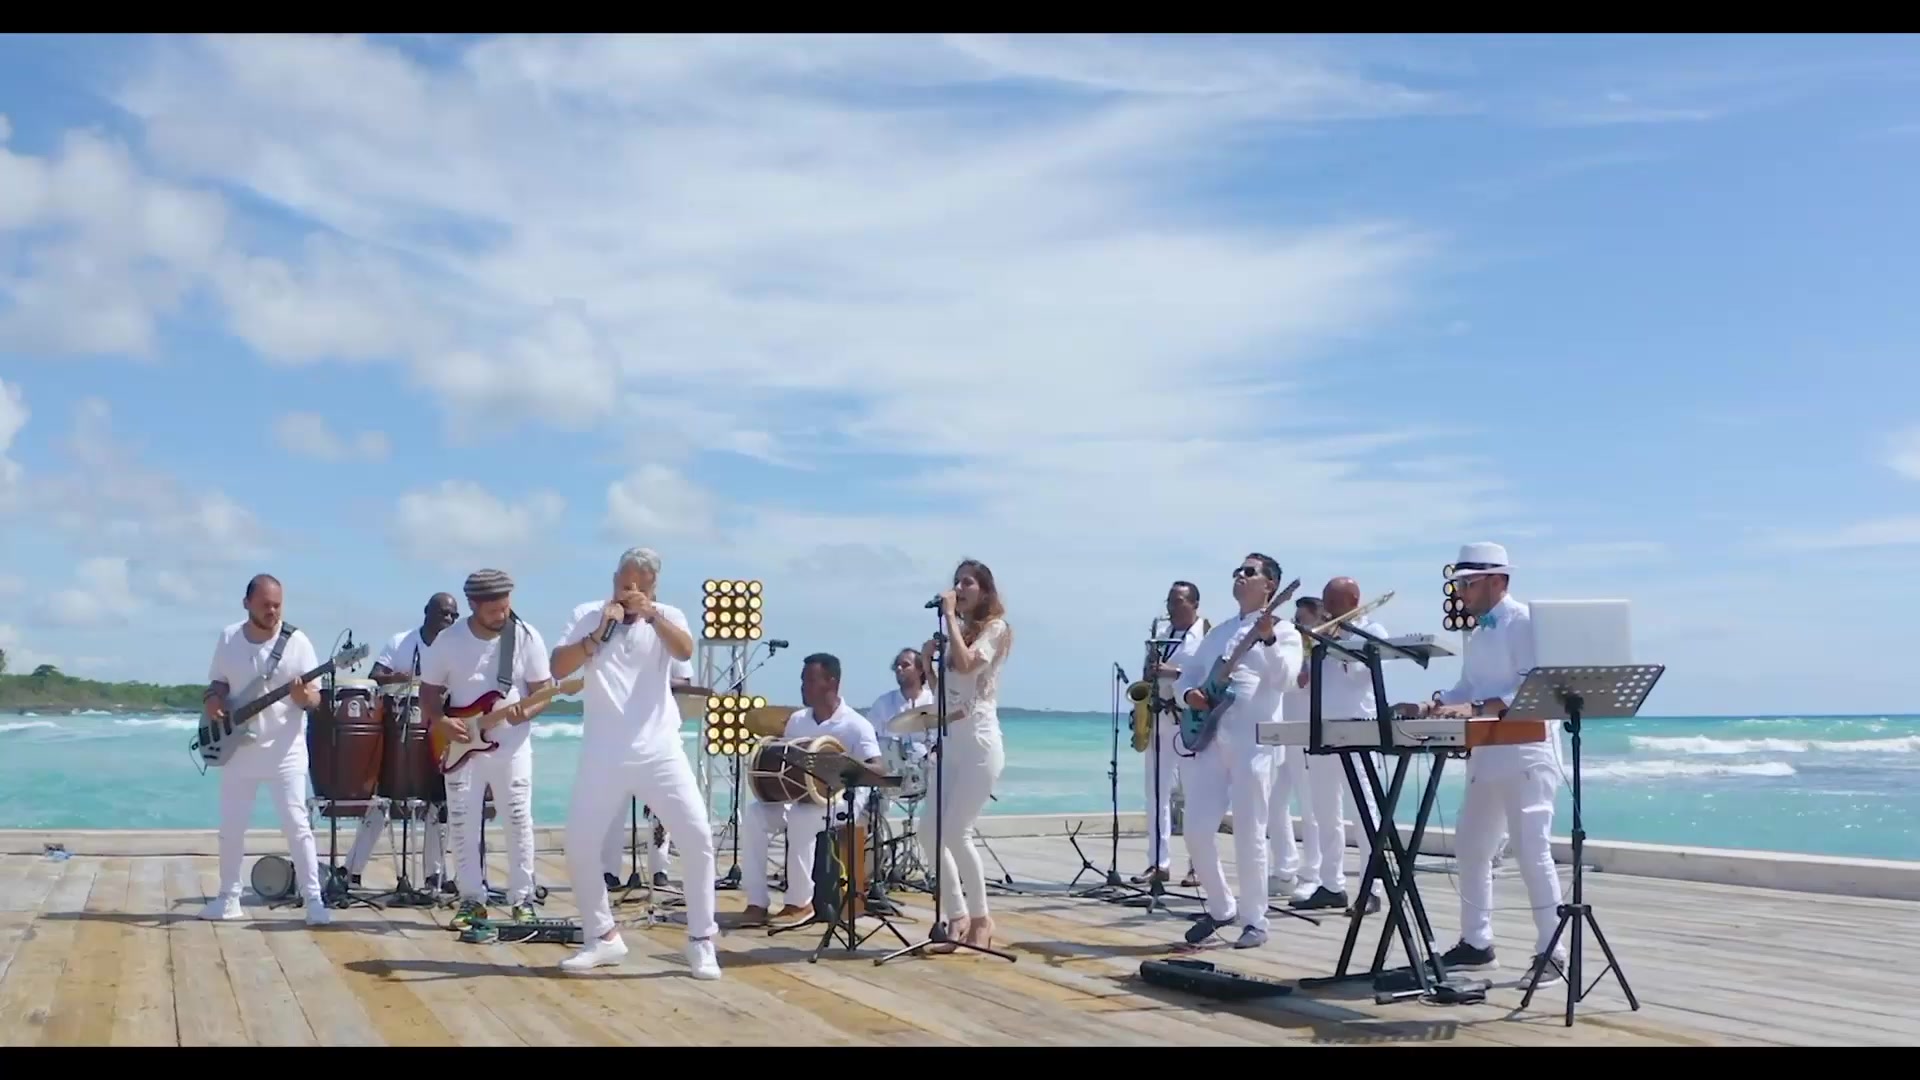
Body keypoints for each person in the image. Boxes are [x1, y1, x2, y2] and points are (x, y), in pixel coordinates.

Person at [1393, 542, 1567, 985]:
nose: (1462, 592)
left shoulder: (1524, 622)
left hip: (1527, 750)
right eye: (1459, 584)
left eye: (1468, 583)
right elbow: (1467, 687)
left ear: (1497, 580)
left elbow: (1532, 689)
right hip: (1487, 751)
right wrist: (1430, 706)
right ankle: (1476, 943)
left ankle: (1553, 952)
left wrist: (1472, 708)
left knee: (1531, 850)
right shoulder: (1478, 632)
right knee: (1471, 847)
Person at [552, 547, 720, 979]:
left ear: (650, 586)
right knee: (579, 845)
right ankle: (602, 936)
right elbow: (558, 667)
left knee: (697, 837)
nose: (623, 592)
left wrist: (652, 615)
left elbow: (685, 650)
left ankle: (701, 940)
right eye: (619, 582)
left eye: (633, 587)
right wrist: (597, 635)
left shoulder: (668, 616)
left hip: (659, 749)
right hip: (602, 753)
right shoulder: (588, 614)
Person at [1174, 553, 1301, 950]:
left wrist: (1268, 639)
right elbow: (1189, 675)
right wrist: (1188, 695)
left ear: (1270, 586)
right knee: (1196, 830)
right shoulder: (1219, 632)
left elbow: (1286, 680)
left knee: (1250, 833)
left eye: (1249, 572)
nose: (1240, 576)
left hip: (1254, 744)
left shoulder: (1287, 632)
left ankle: (1255, 920)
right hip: (1212, 737)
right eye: (1237, 571)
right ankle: (1220, 906)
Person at [421, 569, 555, 930]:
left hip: (512, 747)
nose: (502, 615)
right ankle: (471, 900)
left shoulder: (525, 636)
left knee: (518, 819)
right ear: (473, 605)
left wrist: (527, 711)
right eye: (494, 610)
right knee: (462, 823)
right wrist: (441, 721)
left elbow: (544, 690)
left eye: (506, 607)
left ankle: (523, 899)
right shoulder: (449, 640)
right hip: (463, 746)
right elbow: (428, 692)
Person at [199, 574, 330, 925]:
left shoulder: (297, 642)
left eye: (277, 605)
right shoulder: (229, 637)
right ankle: (228, 898)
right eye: (265, 605)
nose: (273, 612)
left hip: (285, 750)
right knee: (231, 827)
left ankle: (314, 900)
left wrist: (304, 697)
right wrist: (213, 700)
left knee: (297, 826)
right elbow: (218, 682)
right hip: (239, 750)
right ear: (247, 604)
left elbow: (315, 698)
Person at [738, 652, 883, 928]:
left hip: (842, 802)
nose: (803, 686)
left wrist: (840, 766)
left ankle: (799, 902)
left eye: (809, 680)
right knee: (756, 814)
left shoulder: (856, 725)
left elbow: (878, 768)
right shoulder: (797, 720)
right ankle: (757, 902)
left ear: (832, 682)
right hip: (803, 798)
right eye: (802, 680)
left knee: (801, 817)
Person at [921, 558, 1012, 951]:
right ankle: (956, 914)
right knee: (928, 832)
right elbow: (945, 695)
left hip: (979, 742)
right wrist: (927, 663)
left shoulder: (996, 629)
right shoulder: (959, 633)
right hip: (951, 742)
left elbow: (968, 664)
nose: (959, 589)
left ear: (985, 591)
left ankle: (981, 918)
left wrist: (948, 620)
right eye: (956, 582)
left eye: (967, 583)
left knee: (957, 831)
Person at [344, 592, 460, 892]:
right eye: (444, 613)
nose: (449, 619)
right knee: (380, 802)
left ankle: (434, 877)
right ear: (427, 611)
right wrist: (400, 676)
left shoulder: (456, 648)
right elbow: (375, 675)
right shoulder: (401, 642)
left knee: (437, 804)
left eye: (453, 615)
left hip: (438, 734)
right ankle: (351, 872)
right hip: (398, 734)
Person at [1292, 577, 1386, 915]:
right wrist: (1310, 651)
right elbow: (1305, 681)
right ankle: (1332, 884)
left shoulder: (1372, 630)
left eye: (1334, 601)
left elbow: (1362, 674)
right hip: (1324, 729)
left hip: (1358, 728)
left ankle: (1373, 887)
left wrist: (1341, 641)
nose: (1328, 608)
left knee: (1365, 811)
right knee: (1324, 810)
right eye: (1326, 601)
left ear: (1353, 600)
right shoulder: (1323, 634)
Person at [1133, 580, 1208, 886]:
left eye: (1178, 601)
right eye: (1169, 601)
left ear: (1194, 604)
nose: (1171, 607)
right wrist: (1150, 671)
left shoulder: (1207, 635)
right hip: (1159, 717)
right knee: (1155, 794)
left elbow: (1207, 676)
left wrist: (1172, 672)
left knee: (1195, 795)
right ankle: (1158, 862)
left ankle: (1198, 864)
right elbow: (1148, 673)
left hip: (1188, 720)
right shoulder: (1162, 634)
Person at [600, 654, 694, 891]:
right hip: (618, 736)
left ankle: (659, 869)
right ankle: (609, 871)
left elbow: (685, 681)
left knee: (660, 809)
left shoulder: (666, 640)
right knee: (613, 809)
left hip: (658, 736)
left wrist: (654, 682)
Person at [1266, 595, 1320, 904]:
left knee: (1311, 808)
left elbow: (1303, 681)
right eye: (1296, 619)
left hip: (1307, 734)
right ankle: (1285, 869)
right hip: (1284, 733)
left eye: (1303, 619)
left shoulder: (1320, 650)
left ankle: (1313, 874)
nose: (1297, 624)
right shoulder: (1292, 645)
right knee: (1274, 803)